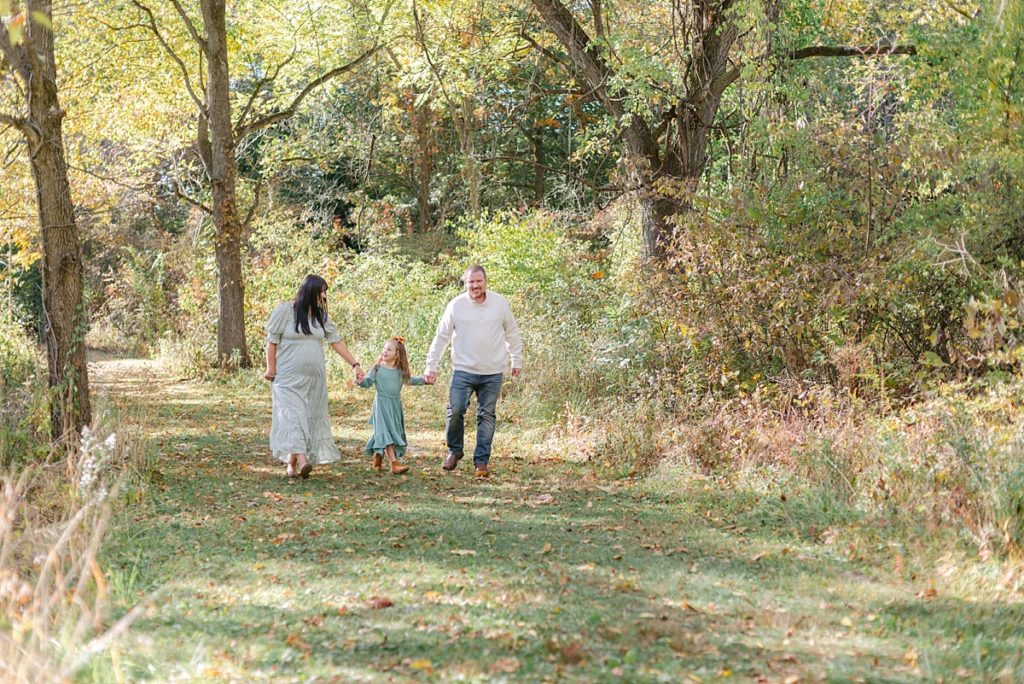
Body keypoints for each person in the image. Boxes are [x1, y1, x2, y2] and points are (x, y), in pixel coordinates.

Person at [424, 265, 523, 479]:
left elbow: (512, 332)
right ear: (465, 283)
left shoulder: (500, 303)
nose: (475, 286)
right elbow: (441, 335)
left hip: (493, 371)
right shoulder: (456, 305)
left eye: (478, 281)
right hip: (463, 369)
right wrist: (430, 365)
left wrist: (516, 359)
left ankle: (481, 462)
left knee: (486, 415)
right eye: (471, 282)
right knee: (456, 409)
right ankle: (455, 450)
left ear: (485, 281)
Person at [264, 275, 364, 479]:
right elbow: (271, 342)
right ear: (310, 291)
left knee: (305, 420)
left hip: (313, 380)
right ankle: (303, 461)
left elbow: (336, 341)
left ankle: (292, 466)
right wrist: (270, 369)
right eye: (321, 291)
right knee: (293, 417)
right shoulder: (285, 310)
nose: (324, 296)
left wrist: (355, 364)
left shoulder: (321, 316)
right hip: (286, 378)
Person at [356, 336, 432, 474]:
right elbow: (368, 382)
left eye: (389, 349)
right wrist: (360, 381)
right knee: (386, 432)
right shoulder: (377, 368)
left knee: (387, 431)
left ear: (397, 354)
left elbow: (410, 380)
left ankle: (378, 455)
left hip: (394, 405)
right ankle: (394, 464)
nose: (385, 351)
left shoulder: (399, 371)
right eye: (384, 348)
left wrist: (425, 380)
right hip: (381, 404)